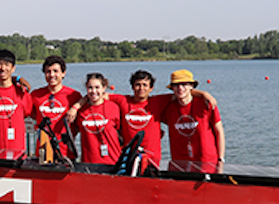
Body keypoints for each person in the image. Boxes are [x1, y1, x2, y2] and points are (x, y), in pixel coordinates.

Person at [67, 69, 217, 169]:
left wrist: (204, 94)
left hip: (152, 158)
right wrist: (76, 106)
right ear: (132, 87)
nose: (141, 88)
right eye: (137, 85)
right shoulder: (122, 100)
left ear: (151, 88)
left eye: (145, 85)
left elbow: (182, 92)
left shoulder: (158, 101)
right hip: (130, 156)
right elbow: (95, 95)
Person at [160, 68, 225, 173]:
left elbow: (219, 131)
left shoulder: (206, 104)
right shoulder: (168, 108)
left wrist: (221, 159)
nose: (180, 88)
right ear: (172, 88)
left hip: (207, 162)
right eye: (176, 85)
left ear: (192, 86)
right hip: (180, 163)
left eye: (184, 84)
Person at [30, 55, 82, 160]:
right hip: (43, 150)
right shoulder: (36, 95)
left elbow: (78, 125)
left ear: (63, 73)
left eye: (55, 71)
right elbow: (32, 114)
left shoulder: (74, 95)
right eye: (48, 71)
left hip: (65, 151)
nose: (52, 75)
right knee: (42, 175)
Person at [73, 73, 122, 165]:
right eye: (90, 88)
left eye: (97, 87)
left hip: (112, 161)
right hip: (88, 162)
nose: (93, 91)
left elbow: (120, 130)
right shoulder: (81, 111)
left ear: (104, 88)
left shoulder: (114, 107)